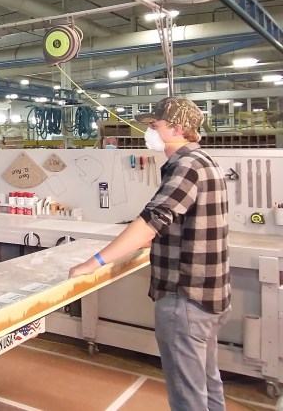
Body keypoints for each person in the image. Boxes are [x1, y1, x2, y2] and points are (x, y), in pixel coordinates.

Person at [69, 97, 230, 410]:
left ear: (177, 128)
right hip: (210, 297)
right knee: (208, 385)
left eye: (155, 126)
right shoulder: (206, 162)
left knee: (188, 397)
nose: (149, 133)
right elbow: (183, 222)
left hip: (185, 299)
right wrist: (151, 240)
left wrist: (94, 262)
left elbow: (151, 220)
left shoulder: (186, 167)